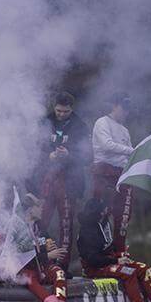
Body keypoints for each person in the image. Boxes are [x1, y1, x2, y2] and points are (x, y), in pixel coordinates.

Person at [37, 92, 87, 268]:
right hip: (46, 180)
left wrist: (69, 155)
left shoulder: (80, 126)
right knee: (40, 221)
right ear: (54, 106)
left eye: (65, 111)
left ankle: (63, 265)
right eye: (58, 110)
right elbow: (33, 149)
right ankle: (39, 261)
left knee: (66, 224)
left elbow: (87, 156)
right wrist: (48, 156)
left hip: (69, 181)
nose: (61, 114)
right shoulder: (44, 122)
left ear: (71, 109)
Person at [8, 192, 69, 302]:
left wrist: (51, 248)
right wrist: (47, 255)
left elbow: (47, 245)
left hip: (42, 268)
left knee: (59, 272)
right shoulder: (19, 230)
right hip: (27, 269)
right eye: (38, 206)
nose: (42, 209)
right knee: (28, 277)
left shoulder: (40, 226)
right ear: (30, 210)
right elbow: (21, 256)